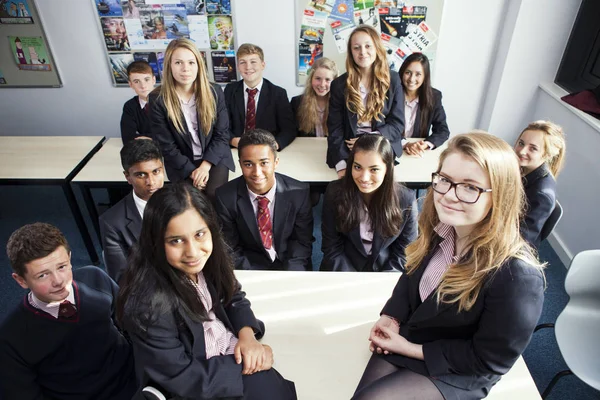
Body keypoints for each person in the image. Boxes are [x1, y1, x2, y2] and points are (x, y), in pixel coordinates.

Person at [353, 132, 545, 400]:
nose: (449, 195)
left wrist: (408, 348)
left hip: (460, 367)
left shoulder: (517, 276)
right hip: (419, 333)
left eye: (470, 187)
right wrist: (392, 316)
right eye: (445, 180)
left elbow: (489, 360)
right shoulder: (443, 226)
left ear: (500, 195)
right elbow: (411, 277)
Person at [117, 182, 297, 400]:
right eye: (176, 241)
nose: (192, 252)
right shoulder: (146, 304)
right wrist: (249, 366)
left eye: (200, 234)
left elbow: (233, 295)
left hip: (222, 354)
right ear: (155, 242)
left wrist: (247, 337)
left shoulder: (211, 259)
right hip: (197, 377)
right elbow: (180, 375)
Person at [0, 223, 136, 400]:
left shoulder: (96, 278)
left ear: (70, 258)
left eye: (62, 266)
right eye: (43, 275)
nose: (58, 281)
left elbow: (133, 327)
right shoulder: (11, 338)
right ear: (21, 280)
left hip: (134, 380)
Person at [215, 129, 313, 271]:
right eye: (248, 164)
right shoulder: (225, 197)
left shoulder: (299, 193)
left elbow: (301, 242)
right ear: (240, 163)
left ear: (276, 162)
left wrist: (291, 276)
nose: (256, 172)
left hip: (290, 263)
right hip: (249, 266)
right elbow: (230, 248)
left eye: (264, 163)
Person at [150, 38, 234, 199]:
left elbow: (222, 135)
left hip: (213, 157)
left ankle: (219, 225)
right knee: (191, 200)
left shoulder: (214, 92)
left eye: (191, 62)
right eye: (178, 63)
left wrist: (204, 167)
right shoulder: (158, 99)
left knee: (215, 194)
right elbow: (166, 146)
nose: (185, 69)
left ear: (198, 65)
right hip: (181, 161)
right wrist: (192, 172)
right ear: (169, 66)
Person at [321, 134, 417, 272]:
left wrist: (381, 282)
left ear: (387, 170)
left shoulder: (406, 199)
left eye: (374, 169)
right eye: (358, 167)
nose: (364, 178)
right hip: (343, 269)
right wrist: (350, 281)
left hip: (387, 270)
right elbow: (331, 247)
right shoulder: (335, 192)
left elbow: (405, 252)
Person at [327, 25, 404, 178]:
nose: (362, 52)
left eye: (368, 46)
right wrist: (341, 165)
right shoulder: (339, 85)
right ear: (351, 53)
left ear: (377, 48)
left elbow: (397, 124)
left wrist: (368, 140)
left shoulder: (393, 80)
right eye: (356, 48)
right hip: (349, 148)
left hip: (382, 144)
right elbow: (335, 128)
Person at [100, 139, 165, 283]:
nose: (151, 182)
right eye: (141, 175)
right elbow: (122, 278)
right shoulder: (111, 222)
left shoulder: (185, 201)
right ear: (128, 177)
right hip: (151, 291)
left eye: (156, 171)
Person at [224, 43, 297, 151]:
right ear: (238, 67)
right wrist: (233, 140)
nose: (248, 67)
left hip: (266, 150)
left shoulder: (278, 93)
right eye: (242, 62)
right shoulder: (230, 90)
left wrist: (274, 145)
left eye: (253, 62)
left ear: (262, 65)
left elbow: (289, 129)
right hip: (237, 148)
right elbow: (222, 125)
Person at [514, 120, 566, 248]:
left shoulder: (542, 194)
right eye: (521, 143)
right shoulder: (522, 168)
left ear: (547, 154)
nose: (522, 151)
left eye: (533, 148)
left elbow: (523, 240)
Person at [399, 53, 450, 156]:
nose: (412, 79)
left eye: (418, 74)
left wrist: (424, 144)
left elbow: (442, 130)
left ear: (425, 76)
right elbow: (384, 127)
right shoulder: (391, 95)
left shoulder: (434, 97)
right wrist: (406, 144)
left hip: (417, 152)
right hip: (393, 148)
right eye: (408, 72)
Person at [290, 57, 338, 137]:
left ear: (335, 81)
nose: (322, 84)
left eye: (327, 80)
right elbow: (290, 132)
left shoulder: (340, 104)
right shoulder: (297, 103)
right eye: (318, 79)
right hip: (306, 147)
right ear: (311, 79)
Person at [121, 60, 156, 143]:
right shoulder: (130, 106)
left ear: (153, 80)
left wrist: (150, 138)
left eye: (146, 79)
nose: (143, 86)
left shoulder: (169, 101)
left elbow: (177, 136)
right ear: (131, 84)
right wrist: (157, 138)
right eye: (136, 81)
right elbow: (127, 138)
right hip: (145, 150)